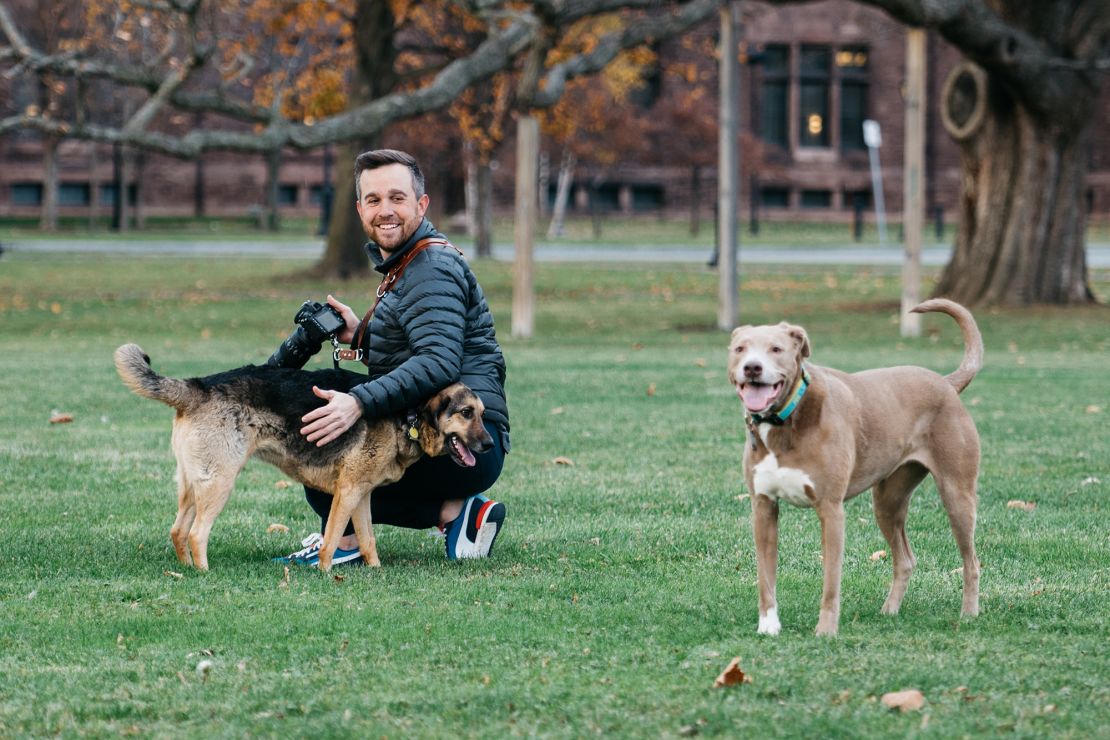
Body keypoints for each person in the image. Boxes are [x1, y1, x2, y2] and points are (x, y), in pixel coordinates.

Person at [266, 149, 509, 563]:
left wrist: (358, 402)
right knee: (325, 443)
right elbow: (419, 348)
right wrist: (362, 335)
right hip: (440, 433)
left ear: (421, 204)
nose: (386, 210)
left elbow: (439, 363)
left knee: (326, 463)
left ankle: (448, 513)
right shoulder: (411, 263)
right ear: (360, 208)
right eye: (374, 200)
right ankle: (443, 515)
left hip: (462, 442)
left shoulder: (431, 267)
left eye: (397, 198)